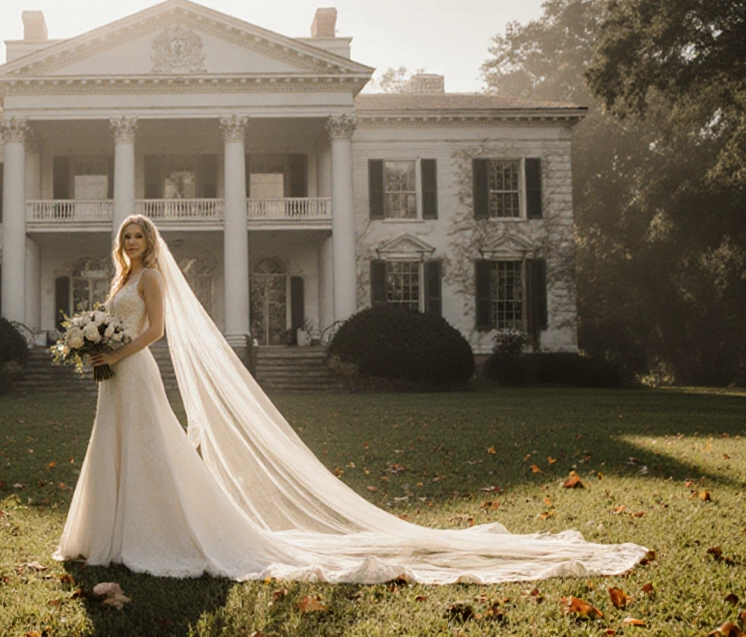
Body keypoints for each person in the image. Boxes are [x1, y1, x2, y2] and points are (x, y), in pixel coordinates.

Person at [53, 214, 648, 584]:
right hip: (115, 376)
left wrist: (112, 352)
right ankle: (110, 535)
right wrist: (93, 344)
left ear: (150, 242)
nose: (133, 241)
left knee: (154, 451)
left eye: (140, 234)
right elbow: (123, 324)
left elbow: (155, 333)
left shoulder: (152, 277)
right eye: (127, 236)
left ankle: (158, 531)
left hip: (132, 371)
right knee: (113, 448)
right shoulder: (121, 280)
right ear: (120, 243)